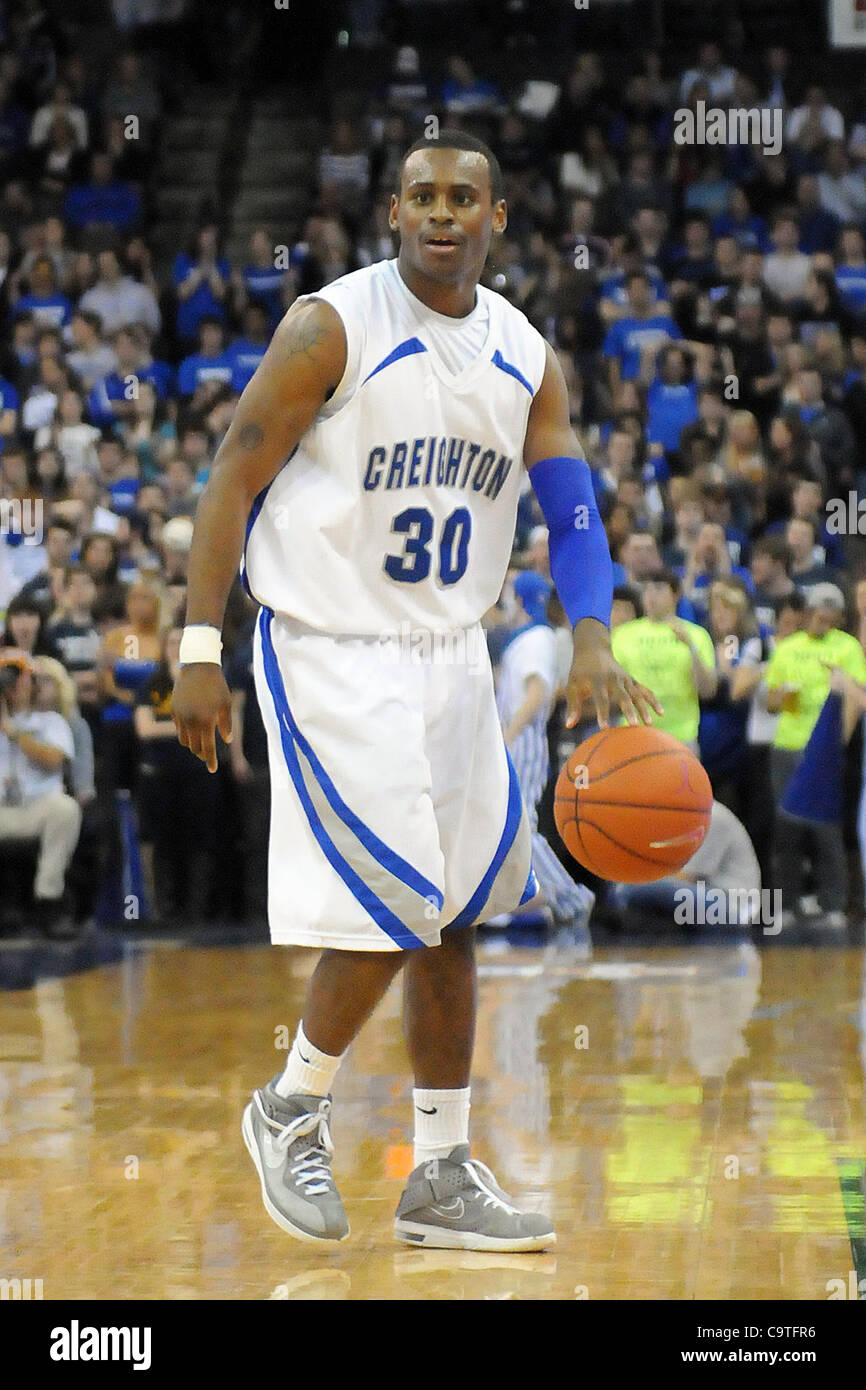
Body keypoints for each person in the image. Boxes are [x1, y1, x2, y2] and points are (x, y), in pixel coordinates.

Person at [171, 131, 661, 1252]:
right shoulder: (328, 327)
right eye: (423, 196)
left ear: (495, 219)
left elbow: (572, 507)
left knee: (453, 917)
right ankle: (288, 1102)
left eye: (465, 198)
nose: (443, 213)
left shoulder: (523, 353)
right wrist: (200, 644)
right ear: (393, 213)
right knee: (398, 903)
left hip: (451, 653)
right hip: (332, 645)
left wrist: (589, 631)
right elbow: (233, 475)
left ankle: (438, 1169)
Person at [495, 570, 595, 935]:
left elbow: (537, 693)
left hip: (521, 740)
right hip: (516, 737)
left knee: (523, 828)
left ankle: (570, 897)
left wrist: (508, 733)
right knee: (512, 827)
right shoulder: (529, 638)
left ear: (520, 599)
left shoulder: (536, 638)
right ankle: (548, 897)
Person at [765, 583, 866, 927]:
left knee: (827, 828)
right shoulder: (787, 647)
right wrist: (783, 696)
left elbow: (856, 697)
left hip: (824, 750)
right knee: (786, 829)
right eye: (818, 612)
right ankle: (787, 904)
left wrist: (839, 744)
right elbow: (770, 702)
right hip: (787, 746)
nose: (823, 619)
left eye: (830, 613)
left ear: (839, 617)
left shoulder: (848, 647)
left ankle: (833, 904)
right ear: (807, 612)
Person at [0, 647, 81, 937]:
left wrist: (12, 732)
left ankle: (49, 900)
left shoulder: (51, 722)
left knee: (66, 809)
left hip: (37, 806)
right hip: (2, 810)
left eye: (17, 676)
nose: (11, 684)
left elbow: (53, 760)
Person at [611, 567, 716, 753]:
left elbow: (707, 691)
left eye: (658, 589)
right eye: (647, 589)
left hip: (680, 736)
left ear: (675, 594)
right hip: (633, 734)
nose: (651, 596)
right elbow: (611, 684)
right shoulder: (623, 634)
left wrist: (690, 648)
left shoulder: (696, 635)